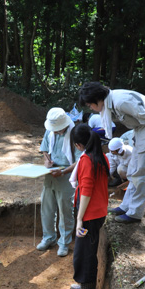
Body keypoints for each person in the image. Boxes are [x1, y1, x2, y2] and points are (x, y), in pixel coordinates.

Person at [79, 82, 145, 224]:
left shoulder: (120, 101)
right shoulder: (114, 100)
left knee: (142, 173)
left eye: (90, 104)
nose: (91, 108)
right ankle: (126, 206)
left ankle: (135, 213)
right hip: (142, 132)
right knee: (133, 171)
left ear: (97, 99)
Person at [66, 124, 109, 289]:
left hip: (89, 215)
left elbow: (86, 192)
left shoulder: (86, 161)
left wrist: (79, 219)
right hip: (98, 212)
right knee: (87, 251)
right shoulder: (102, 157)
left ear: (78, 145)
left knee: (85, 255)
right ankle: (85, 288)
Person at [37, 107, 82, 257]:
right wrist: (46, 159)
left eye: (57, 129)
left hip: (67, 176)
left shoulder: (75, 134)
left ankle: (64, 242)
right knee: (47, 208)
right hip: (50, 174)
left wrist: (63, 171)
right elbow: (44, 148)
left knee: (65, 211)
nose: (55, 132)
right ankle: (48, 237)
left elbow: (81, 160)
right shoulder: (50, 130)